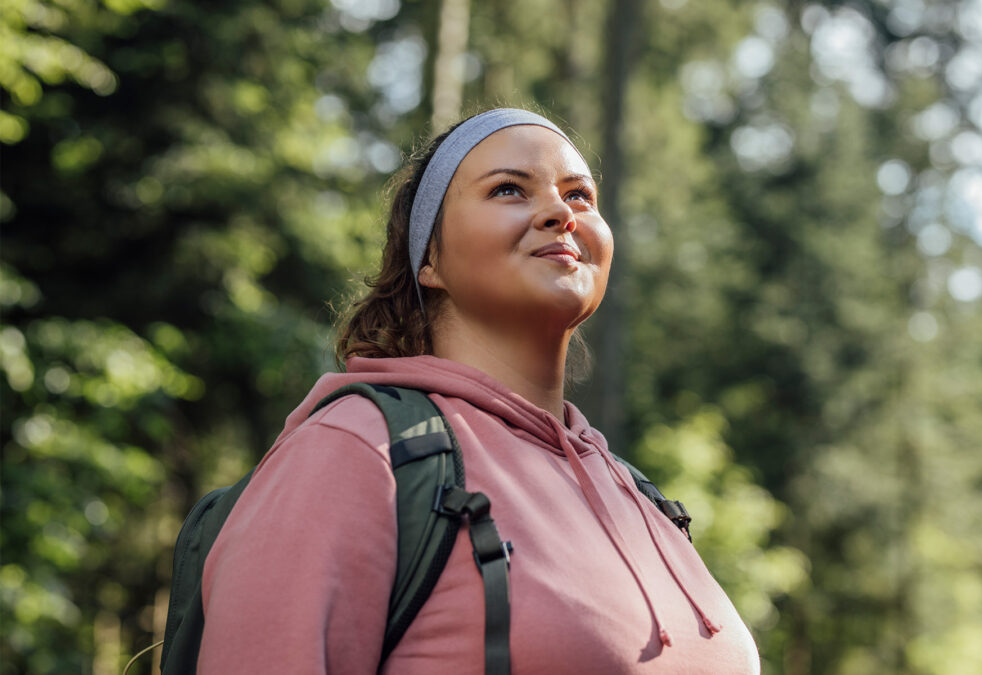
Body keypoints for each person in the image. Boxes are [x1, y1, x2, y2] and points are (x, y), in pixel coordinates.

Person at [197, 108, 760, 673]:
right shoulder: (357, 451)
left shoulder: (641, 496)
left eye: (580, 195)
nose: (560, 212)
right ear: (429, 260)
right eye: (510, 188)